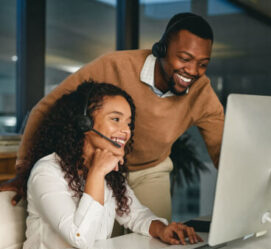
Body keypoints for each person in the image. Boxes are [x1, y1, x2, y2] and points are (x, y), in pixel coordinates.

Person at [2, 12, 224, 222]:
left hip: (151, 170)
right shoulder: (114, 65)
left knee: (156, 239)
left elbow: (222, 148)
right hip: (103, 167)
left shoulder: (201, 91)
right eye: (185, 58)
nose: (193, 71)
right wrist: (23, 171)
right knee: (103, 244)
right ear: (162, 48)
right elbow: (46, 108)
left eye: (203, 64)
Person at [20, 81, 202, 249]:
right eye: (116, 119)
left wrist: (162, 229)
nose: (126, 131)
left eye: (128, 123)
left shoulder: (109, 173)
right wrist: (97, 174)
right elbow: (80, 238)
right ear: (84, 123)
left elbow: (136, 215)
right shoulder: (47, 172)